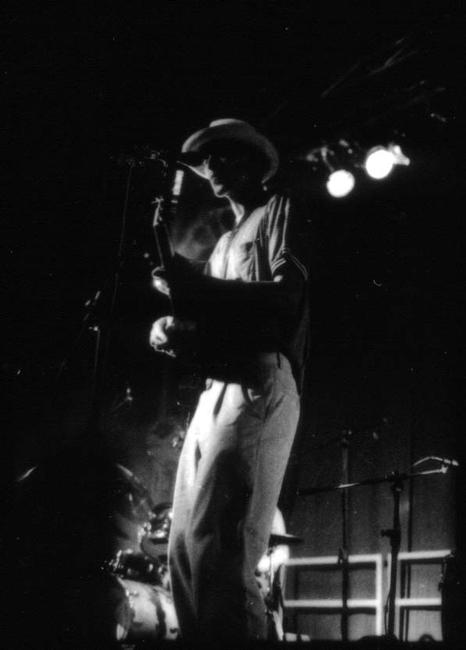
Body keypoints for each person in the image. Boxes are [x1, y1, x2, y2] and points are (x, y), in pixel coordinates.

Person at [149, 118, 309, 643]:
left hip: (259, 378)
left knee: (224, 544)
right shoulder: (222, 243)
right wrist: (172, 328)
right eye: (206, 160)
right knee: (184, 547)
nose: (211, 167)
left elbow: (284, 298)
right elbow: (216, 318)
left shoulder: (280, 210)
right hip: (217, 388)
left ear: (251, 161)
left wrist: (195, 288)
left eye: (222, 156)